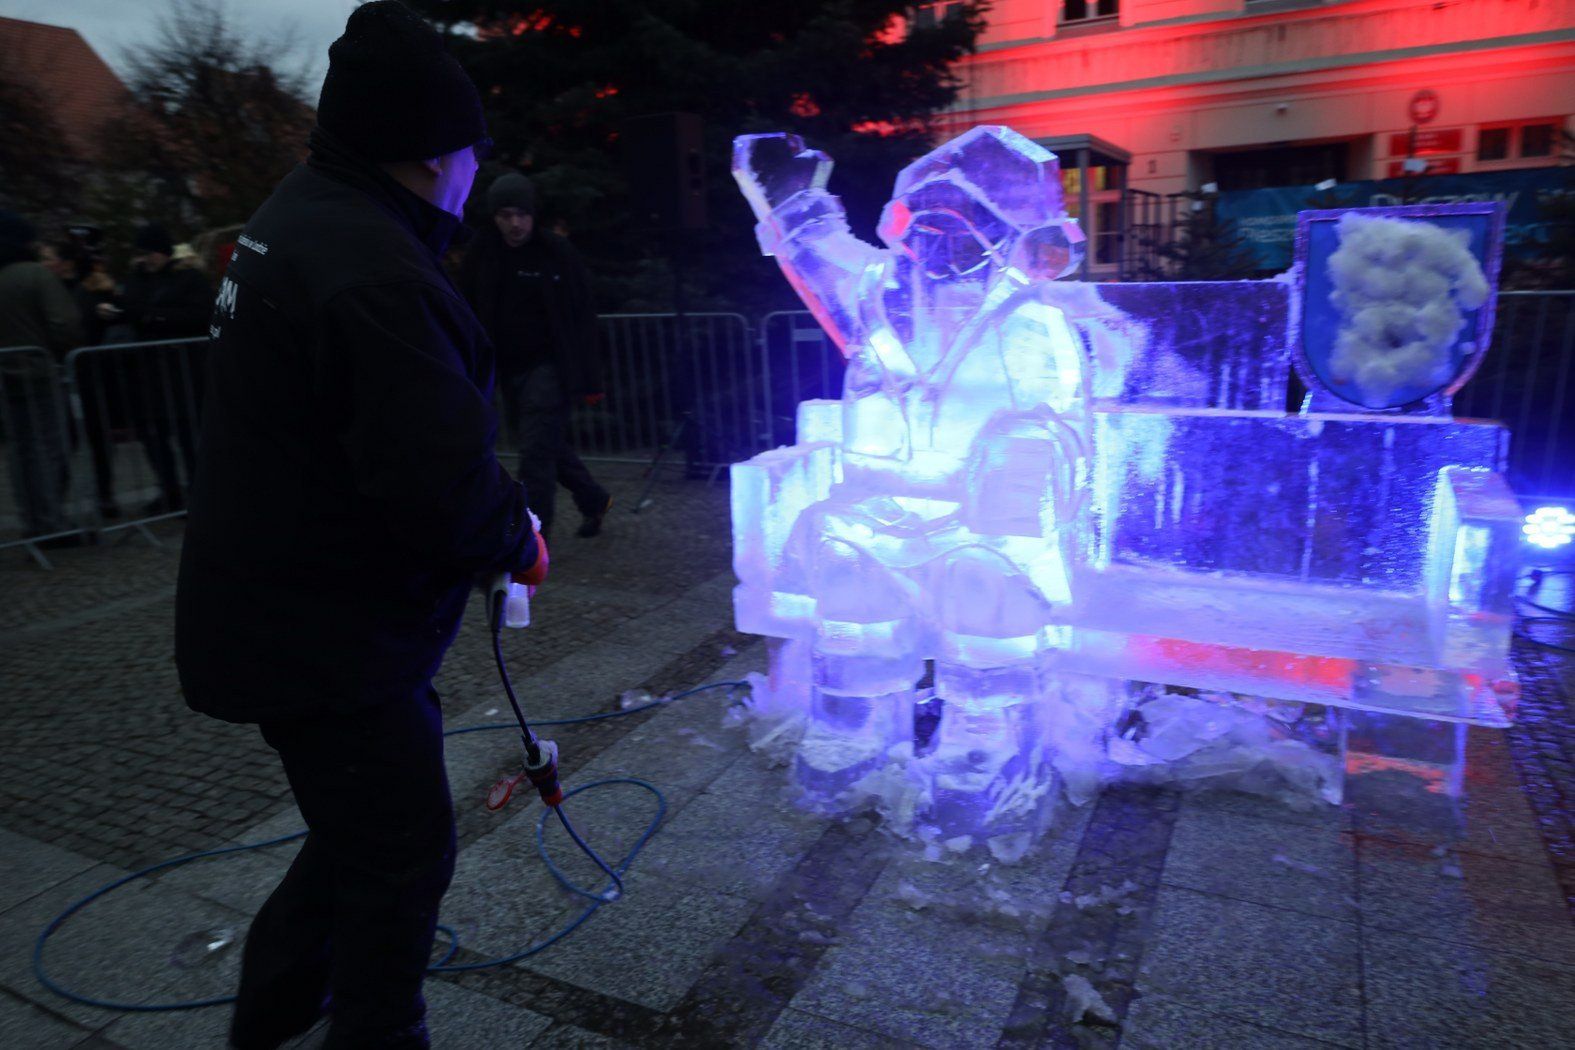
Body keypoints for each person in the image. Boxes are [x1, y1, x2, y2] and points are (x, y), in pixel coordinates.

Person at [174, 3, 547, 1047]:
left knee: (356, 840)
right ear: (435, 156)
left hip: (299, 607)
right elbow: (431, 475)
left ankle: (275, 1022)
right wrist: (517, 536)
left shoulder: (307, 212)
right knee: (397, 852)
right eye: (472, 149)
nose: (479, 169)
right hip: (320, 629)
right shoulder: (372, 268)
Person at [458, 172, 611, 539]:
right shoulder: (483, 253)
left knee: (534, 455)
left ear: (533, 214)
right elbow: (466, 306)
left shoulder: (556, 254)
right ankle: (593, 498)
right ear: (495, 217)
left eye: (522, 214)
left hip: (550, 367)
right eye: (506, 215)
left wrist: (590, 377)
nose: (515, 224)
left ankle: (532, 535)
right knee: (544, 445)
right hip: (507, 368)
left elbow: (581, 317)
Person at [102, 223, 213, 514]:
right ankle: (169, 489)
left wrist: (151, 317)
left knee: (189, 433)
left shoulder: (188, 278)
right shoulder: (138, 280)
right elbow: (130, 309)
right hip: (148, 371)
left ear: (165, 252)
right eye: (144, 252)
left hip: (182, 369)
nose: (147, 258)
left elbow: (201, 315)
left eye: (152, 252)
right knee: (154, 435)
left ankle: (199, 490)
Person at [0, 210, 81, 542]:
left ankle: (33, 520)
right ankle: (51, 522)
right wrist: (63, 348)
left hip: (4, 379)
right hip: (38, 371)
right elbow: (64, 325)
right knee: (49, 448)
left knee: (20, 452)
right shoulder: (36, 275)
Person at [43, 237, 122, 520]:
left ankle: (104, 495)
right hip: (70, 376)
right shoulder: (55, 289)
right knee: (66, 442)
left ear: (65, 263)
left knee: (95, 440)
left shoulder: (88, 290)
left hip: (88, 376)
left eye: (49, 257)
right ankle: (56, 502)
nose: (44, 263)